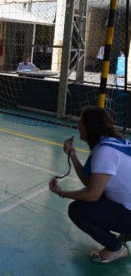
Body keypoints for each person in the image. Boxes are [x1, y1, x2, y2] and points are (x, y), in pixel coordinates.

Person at [49, 106, 131, 263]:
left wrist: (61, 192)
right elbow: (90, 182)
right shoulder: (112, 144)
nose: (78, 126)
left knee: (78, 211)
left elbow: (92, 195)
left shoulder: (105, 152)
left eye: (81, 123)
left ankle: (115, 248)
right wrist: (73, 155)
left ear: (90, 127)